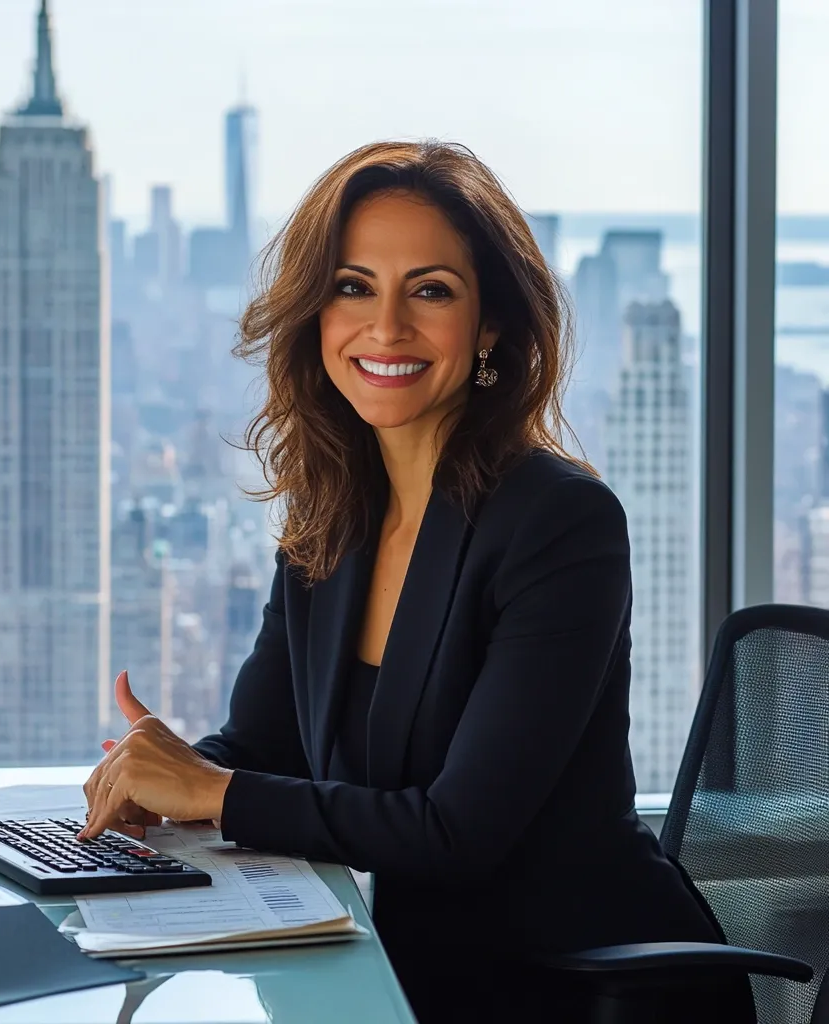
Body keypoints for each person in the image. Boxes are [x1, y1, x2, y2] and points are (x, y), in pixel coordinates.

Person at [80, 141, 749, 1023]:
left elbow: (457, 831)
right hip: (405, 971)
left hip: (578, 988)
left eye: (430, 290)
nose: (385, 327)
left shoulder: (561, 523)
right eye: (353, 287)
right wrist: (165, 777)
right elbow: (264, 747)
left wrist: (215, 792)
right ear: (316, 315)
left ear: (492, 326)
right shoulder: (331, 517)